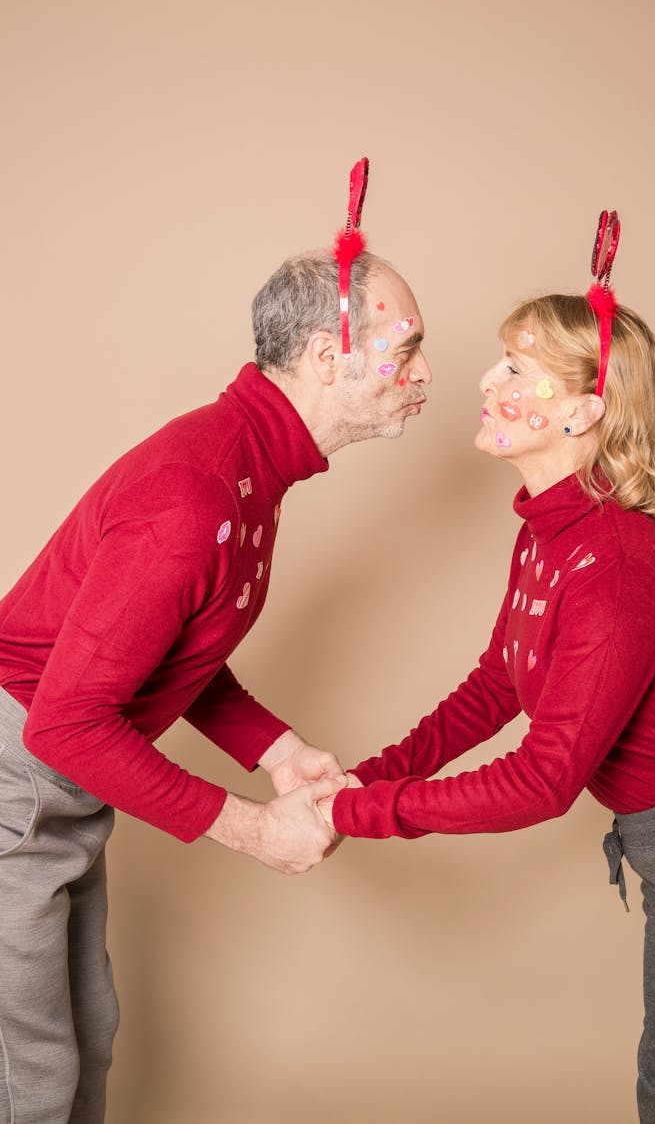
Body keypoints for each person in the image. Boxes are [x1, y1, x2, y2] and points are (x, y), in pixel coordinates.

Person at [0, 163, 433, 1122]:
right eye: (407, 350)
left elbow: (170, 643)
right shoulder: (198, 492)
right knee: (26, 1076)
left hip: (57, 783)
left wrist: (280, 752)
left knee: (86, 1037)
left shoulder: (249, 469)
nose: (424, 375)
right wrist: (253, 828)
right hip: (24, 773)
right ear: (328, 355)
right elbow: (64, 724)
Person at [322, 213, 655, 1124]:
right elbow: (494, 688)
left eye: (515, 369)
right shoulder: (551, 533)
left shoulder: (618, 564)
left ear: (581, 411)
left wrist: (359, 813)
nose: (483, 380)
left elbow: (545, 778)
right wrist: (365, 779)